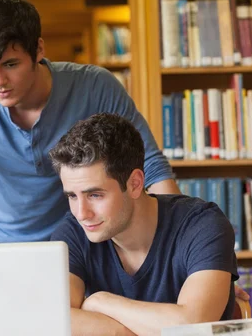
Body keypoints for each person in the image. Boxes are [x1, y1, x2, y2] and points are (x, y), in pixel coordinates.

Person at [0, 0, 180, 245]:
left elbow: (148, 165)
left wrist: (178, 243)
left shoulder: (95, 86)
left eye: (10, 64)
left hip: (80, 239)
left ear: (39, 49)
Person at [49, 113, 239, 336]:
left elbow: (192, 327)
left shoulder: (203, 225)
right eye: (72, 196)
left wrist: (101, 302)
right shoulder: (72, 234)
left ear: (135, 184)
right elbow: (56, 320)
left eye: (95, 195)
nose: (81, 213)